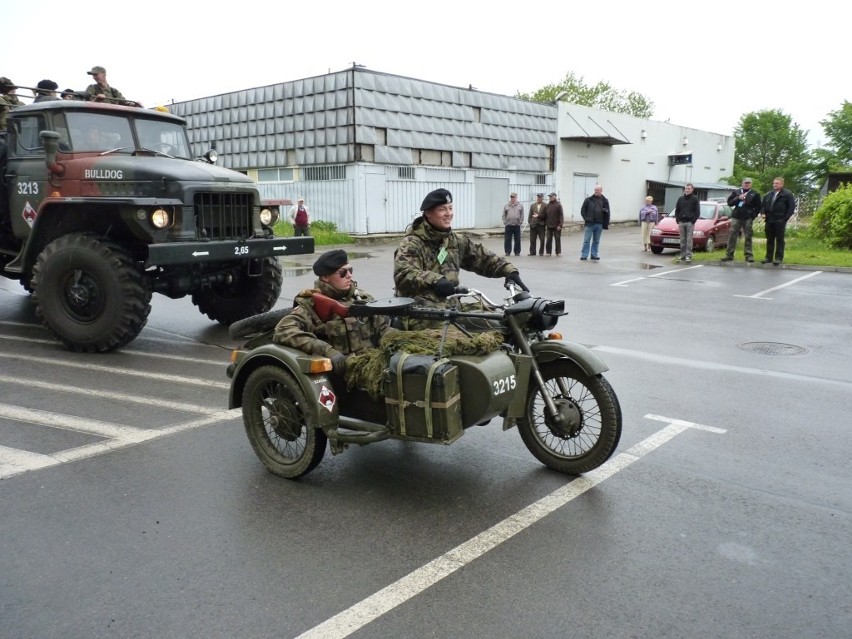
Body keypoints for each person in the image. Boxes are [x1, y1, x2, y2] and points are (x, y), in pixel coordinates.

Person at [393, 188, 529, 328]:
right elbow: (403, 274)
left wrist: (509, 270)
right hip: (420, 315)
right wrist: (435, 280)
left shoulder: (455, 241)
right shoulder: (412, 243)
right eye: (442, 209)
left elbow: (481, 257)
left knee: (498, 322)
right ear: (428, 213)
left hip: (450, 310)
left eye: (450, 208)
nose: (449, 213)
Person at [273, 249, 392, 379]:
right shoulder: (312, 305)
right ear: (325, 277)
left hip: (372, 364)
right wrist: (326, 350)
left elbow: (383, 329)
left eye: (350, 270)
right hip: (342, 374)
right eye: (343, 272)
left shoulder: (363, 298)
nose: (349, 276)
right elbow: (283, 330)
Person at [722, 178, 761, 262]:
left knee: (748, 236)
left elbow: (758, 207)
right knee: (732, 235)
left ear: (751, 184)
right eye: (745, 183)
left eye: (748, 183)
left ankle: (748, 255)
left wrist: (752, 216)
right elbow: (729, 203)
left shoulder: (755, 194)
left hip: (748, 217)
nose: (747, 184)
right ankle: (729, 254)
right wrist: (738, 198)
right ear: (742, 183)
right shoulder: (736, 192)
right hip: (736, 216)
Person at [760, 177, 796, 265]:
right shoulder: (769, 194)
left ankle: (778, 258)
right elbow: (763, 205)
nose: (775, 185)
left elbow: (791, 207)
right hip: (769, 220)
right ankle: (768, 257)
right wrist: (762, 212)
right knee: (769, 239)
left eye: (777, 183)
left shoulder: (787, 194)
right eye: (774, 183)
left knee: (779, 239)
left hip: (780, 220)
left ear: (782, 184)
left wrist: (785, 219)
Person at [579, 184, 610, 261]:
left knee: (596, 241)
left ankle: (594, 254)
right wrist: (586, 218)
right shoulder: (588, 200)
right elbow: (583, 210)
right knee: (586, 240)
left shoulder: (605, 200)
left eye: (598, 190)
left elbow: (608, 212)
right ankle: (584, 255)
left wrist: (606, 223)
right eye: (595, 190)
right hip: (589, 224)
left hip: (599, 223)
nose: (596, 191)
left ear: (601, 191)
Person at [674, 183, 701, 263]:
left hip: (690, 222)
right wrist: (677, 220)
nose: (687, 190)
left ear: (692, 189)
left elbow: (697, 212)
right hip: (681, 222)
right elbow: (677, 210)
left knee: (689, 240)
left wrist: (693, 221)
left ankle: (688, 255)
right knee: (682, 240)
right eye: (686, 188)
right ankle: (682, 255)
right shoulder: (680, 199)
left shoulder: (695, 199)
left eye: (689, 188)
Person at [501, 192, 523, 256]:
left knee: (517, 239)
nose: (512, 198)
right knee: (507, 239)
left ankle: (517, 252)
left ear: (516, 198)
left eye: (513, 197)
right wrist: (505, 223)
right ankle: (507, 251)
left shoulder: (520, 205)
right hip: (509, 225)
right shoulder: (506, 205)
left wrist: (520, 222)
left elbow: (522, 215)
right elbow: (504, 215)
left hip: (517, 225)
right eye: (511, 197)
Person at [542, 192, 564, 256]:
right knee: (548, 239)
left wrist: (560, 225)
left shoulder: (558, 205)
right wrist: (538, 216)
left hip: (557, 226)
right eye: (549, 197)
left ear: (555, 197)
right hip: (549, 225)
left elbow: (561, 216)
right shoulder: (547, 205)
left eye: (551, 196)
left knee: (557, 239)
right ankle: (548, 252)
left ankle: (558, 252)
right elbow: (544, 215)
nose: (550, 198)